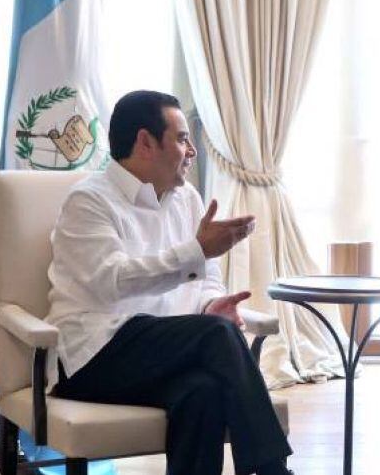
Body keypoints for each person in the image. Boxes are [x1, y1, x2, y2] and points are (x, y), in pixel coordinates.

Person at [45, 90, 292, 475]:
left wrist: (211, 304)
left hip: (161, 354)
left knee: (203, 392)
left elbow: (206, 279)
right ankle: (273, 470)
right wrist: (197, 251)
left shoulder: (187, 199)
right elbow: (113, 281)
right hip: (93, 356)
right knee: (216, 336)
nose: (191, 151)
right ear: (145, 143)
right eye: (181, 139)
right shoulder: (89, 201)